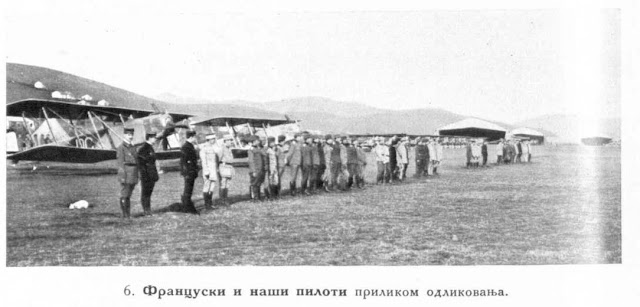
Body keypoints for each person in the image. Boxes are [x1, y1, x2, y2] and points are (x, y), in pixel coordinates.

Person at [116, 127, 139, 218]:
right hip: (126, 174)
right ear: (124, 135)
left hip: (133, 174)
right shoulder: (121, 148)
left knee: (129, 194)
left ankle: (128, 214)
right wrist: (122, 177)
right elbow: (120, 164)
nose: (131, 136)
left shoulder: (133, 147)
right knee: (125, 194)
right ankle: (125, 215)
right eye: (129, 135)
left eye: (132, 135)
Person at [137, 132, 161, 216]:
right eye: (154, 137)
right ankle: (146, 211)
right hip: (146, 176)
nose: (155, 139)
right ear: (149, 138)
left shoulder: (150, 148)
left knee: (148, 194)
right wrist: (145, 175)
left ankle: (148, 210)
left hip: (151, 175)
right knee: (145, 193)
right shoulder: (144, 149)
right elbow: (141, 164)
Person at [180, 130, 200, 214]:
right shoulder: (186, 147)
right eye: (194, 137)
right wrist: (187, 172)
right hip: (189, 172)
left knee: (189, 190)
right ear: (191, 137)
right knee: (188, 190)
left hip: (190, 171)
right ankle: (187, 207)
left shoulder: (189, 146)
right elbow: (184, 161)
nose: (195, 139)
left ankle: (186, 206)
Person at [199, 133, 219, 210]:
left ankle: (210, 203)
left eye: (214, 139)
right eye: (212, 139)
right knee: (207, 187)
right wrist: (206, 171)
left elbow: (215, 160)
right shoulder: (204, 149)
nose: (214, 140)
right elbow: (204, 161)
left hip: (213, 170)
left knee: (212, 187)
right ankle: (207, 204)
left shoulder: (213, 147)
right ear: (208, 140)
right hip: (208, 170)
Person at [248, 136, 266, 201]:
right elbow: (251, 161)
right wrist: (253, 171)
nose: (258, 142)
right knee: (254, 183)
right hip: (255, 169)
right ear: (253, 142)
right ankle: (255, 198)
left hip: (260, 169)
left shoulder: (257, 149)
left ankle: (258, 197)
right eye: (257, 141)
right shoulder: (251, 149)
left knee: (258, 183)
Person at [218, 135, 235, 206]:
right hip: (223, 167)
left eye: (231, 140)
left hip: (229, 167)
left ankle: (225, 198)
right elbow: (218, 159)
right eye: (229, 140)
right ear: (225, 141)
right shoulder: (222, 149)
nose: (231, 142)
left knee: (227, 184)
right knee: (223, 184)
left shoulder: (229, 149)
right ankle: (222, 200)